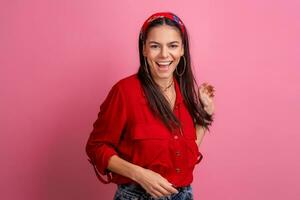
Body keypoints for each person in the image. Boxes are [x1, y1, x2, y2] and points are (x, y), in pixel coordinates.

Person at [85, 12, 215, 200]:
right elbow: (96, 147)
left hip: (184, 195)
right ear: (144, 49)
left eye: (172, 45)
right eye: (155, 46)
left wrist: (205, 115)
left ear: (182, 50)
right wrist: (140, 175)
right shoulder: (125, 92)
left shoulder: (185, 93)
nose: (164, 54)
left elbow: (185, 159)